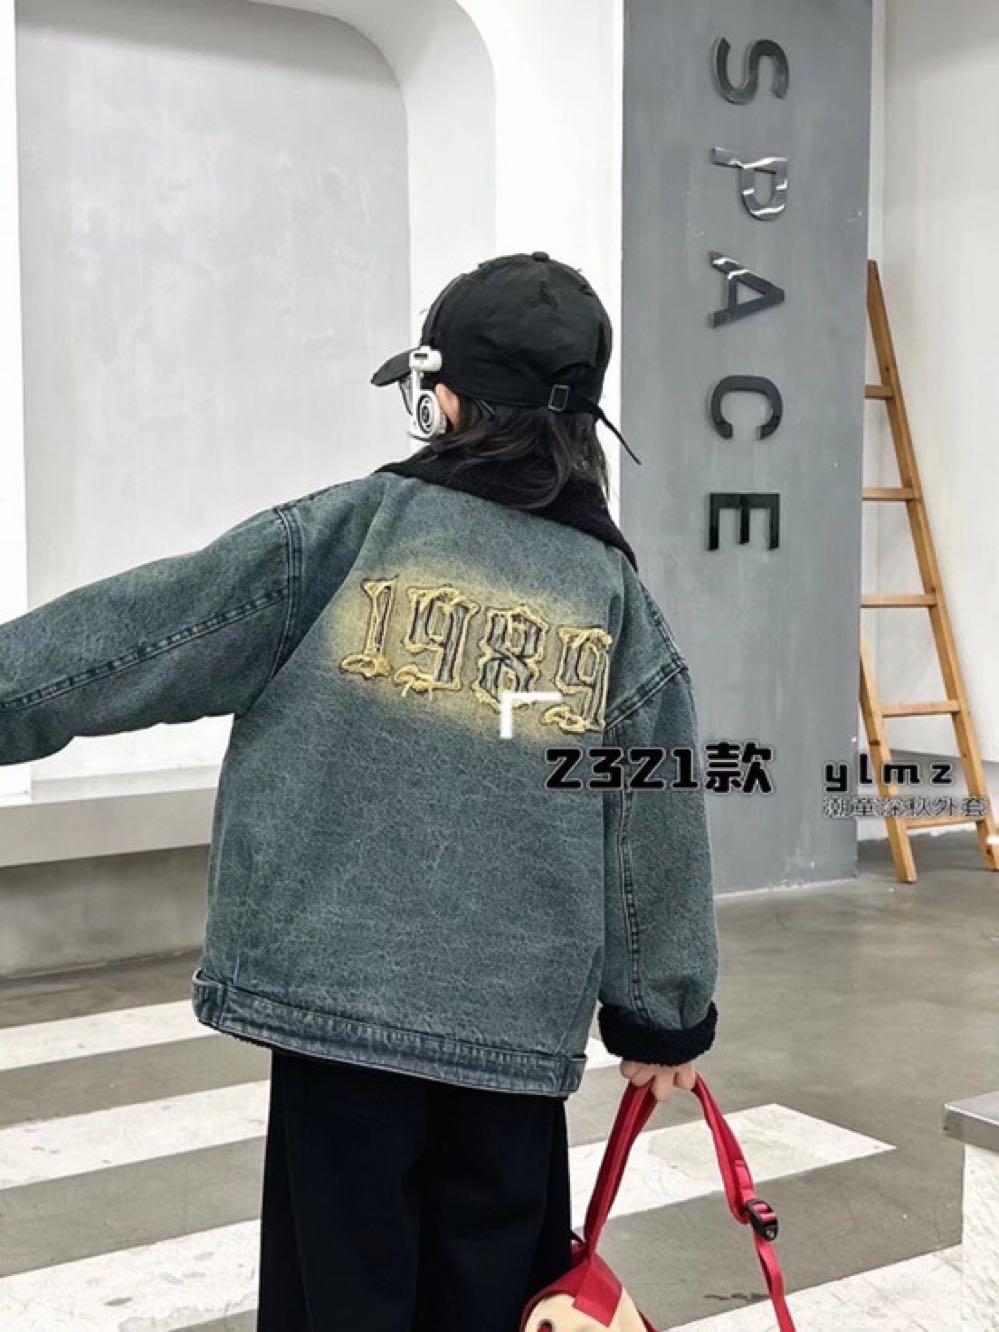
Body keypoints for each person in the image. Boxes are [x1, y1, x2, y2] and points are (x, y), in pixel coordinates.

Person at [0, 251, 719, 1331]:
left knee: (337, 1300)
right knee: (496, 1302)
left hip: (338, 1021)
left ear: (447, 399)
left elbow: (133, 639)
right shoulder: (613, 599)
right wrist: (663, 1017)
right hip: (509, 1045)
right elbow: (652, 817)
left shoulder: (339, 540)